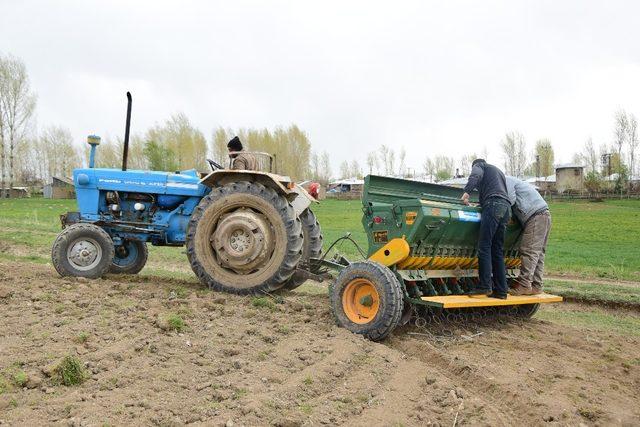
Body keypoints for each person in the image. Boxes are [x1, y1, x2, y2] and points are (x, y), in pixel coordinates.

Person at [461, 159, 511, 299]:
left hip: (494, 204)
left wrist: (466, 192)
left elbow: (475, 176)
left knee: (484, 246)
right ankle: (501, 290)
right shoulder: (498, 171)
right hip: (505, 208)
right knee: (497, 250)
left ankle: (484, 285)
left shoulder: (479, 165)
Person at [506, 177, 551, 295]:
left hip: (535, 215)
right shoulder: (515, 181)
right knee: (538, 253)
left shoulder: (506, 180)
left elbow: (510, 199)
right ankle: (537, 286)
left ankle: (525, 285)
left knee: (529, 251)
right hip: (543, 215)